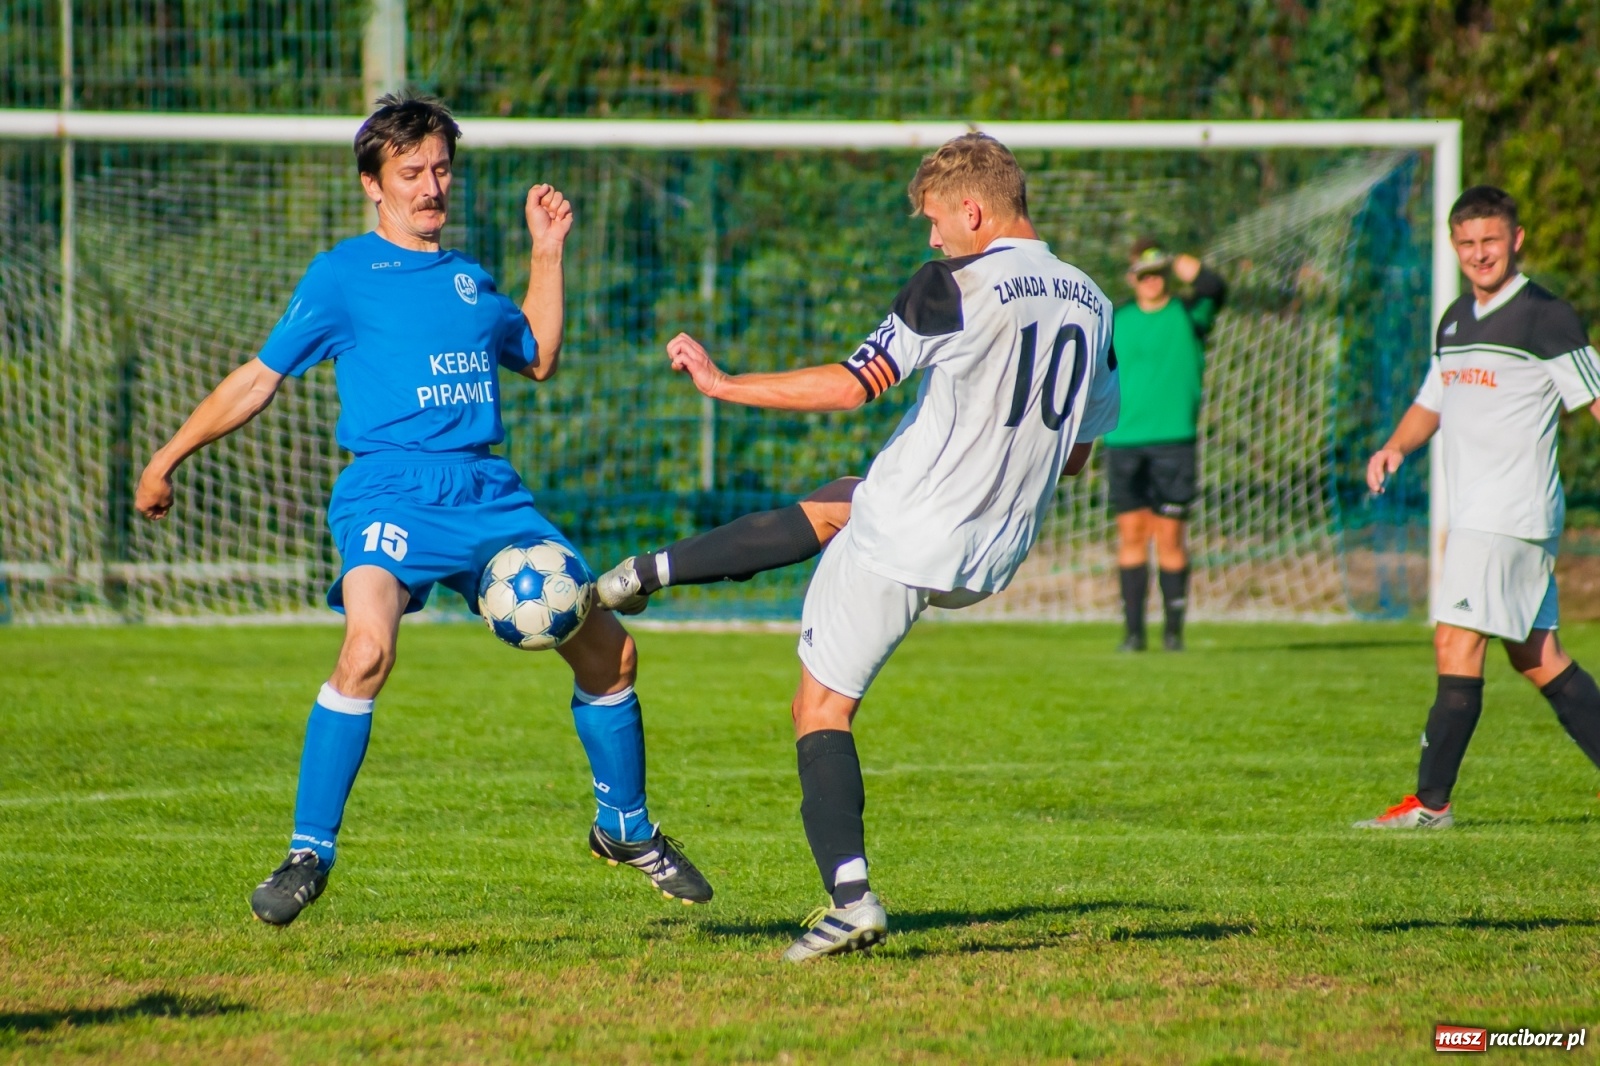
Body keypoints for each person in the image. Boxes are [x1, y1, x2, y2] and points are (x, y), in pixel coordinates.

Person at [134, 93, 711, 924]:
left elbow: (539, 357)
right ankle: (307, 853)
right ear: (373, 184)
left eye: (441, 168)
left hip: (487, 493)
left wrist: (547, 252)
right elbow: (258, 379)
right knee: (367, 650)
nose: (431, 186)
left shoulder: (471, 279)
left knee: (611, 657)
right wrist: (166, 458)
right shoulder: (342, 276)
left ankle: (623, 827)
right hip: (391, 490)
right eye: (411, 172)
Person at [619, 133, 1118, 961]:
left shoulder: (954, 282)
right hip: (992, 554)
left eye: (934, 219)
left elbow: (854, 386)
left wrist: (723, 384)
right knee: (842, 497)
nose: (932, 237)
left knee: (819, 710)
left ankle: (851, 900)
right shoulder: (1096, 304)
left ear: (973, 210)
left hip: (906, 536)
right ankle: (645, 574)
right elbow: (1076, 454)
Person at [1354, 185, 1600, 830]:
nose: (1479, 253)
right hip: (1486, 517)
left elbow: (1596, 395)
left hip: (1506, 513)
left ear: (1516, 239)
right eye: (1467, 242)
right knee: (1537, 655)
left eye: (1490, 239)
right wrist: (1395, 447)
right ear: (1453, 245)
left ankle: (1430, 804)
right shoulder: (1455, 318)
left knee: (1455, 642)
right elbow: (1433, 399)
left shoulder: (1546, 315)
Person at [1103, 239, 1226, 652]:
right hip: (1124, 441)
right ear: (1131, 277)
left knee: (1170, 537)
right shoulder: (1116, 319)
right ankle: (1133, 634)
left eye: (1158, 273)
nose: (1151, 280)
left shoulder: (1189, 314)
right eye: (1144, 274)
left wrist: (1173, 261)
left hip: (1174, 442)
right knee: (1132, 534)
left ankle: (1173, 633)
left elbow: (1214, 286)